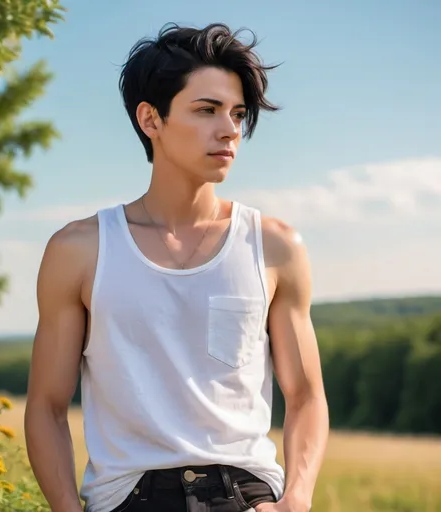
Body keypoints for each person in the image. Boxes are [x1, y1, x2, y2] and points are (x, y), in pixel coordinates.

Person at [24, 22, 329, 512]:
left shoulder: (274, 245)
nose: (230, 129)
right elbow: (45, 406)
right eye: (206, 110)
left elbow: (306, 394)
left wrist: (296, 500)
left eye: (237, 113)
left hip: (246, 495)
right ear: (151, 120)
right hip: (129, 497)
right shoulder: (80, 249)